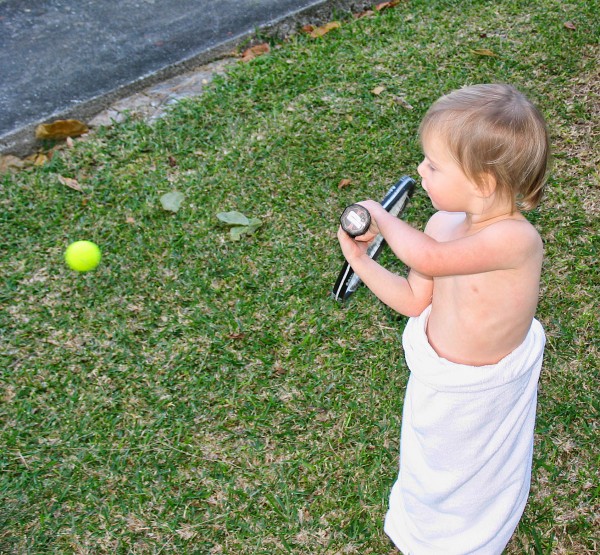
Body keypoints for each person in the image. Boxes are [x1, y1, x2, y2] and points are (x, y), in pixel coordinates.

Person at [337, 84, 550, 554]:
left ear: (483, 182)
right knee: (430, 461)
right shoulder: (442, 225)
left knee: (472, 468)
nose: (420, 170)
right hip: (439, 378)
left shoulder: (514, 240)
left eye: (433, 165)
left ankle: (468, 539)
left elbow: (429, 259)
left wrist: (381, 216)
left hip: (481, 389)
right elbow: (416, 298)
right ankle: (431, 527)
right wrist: (363, 263)